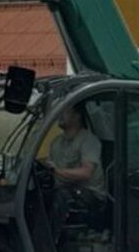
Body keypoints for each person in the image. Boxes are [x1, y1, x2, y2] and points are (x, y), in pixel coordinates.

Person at [42, 101, 107, 236]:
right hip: (65, 189)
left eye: (65, 111)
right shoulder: (57, 142)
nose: (60, 114)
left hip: (89, 194)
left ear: (77, 115)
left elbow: (86, 172)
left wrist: (57, 171)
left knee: (60, 197)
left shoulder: (88, 141)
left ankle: (49, 242)